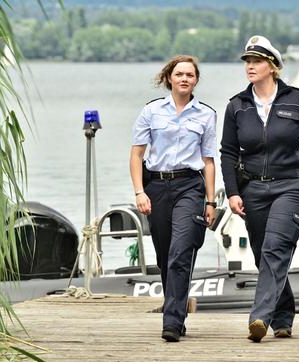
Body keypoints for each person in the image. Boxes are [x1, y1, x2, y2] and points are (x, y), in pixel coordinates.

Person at [220, 35, 299, 342]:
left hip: (292, 186)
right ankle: (283, 318)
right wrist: (233, 192)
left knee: (275, 248)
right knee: (262, 253)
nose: (250, 67)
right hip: (252, 189)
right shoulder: (236, 106)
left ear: (272, 66)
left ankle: (260, 318)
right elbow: (228, 152)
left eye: (256, 61)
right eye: (247, 62)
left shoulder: (298, 99)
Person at [130, 55, 217, 342]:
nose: (184, 79)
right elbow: (137, 155)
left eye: (190, 75)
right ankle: (177, 315)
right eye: (179, 74)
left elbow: (208, 161)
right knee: (165, 254)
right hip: (156, 187)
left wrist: (210, 201)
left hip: (190, 187)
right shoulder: (151, 111)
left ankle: (171, 321)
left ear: (196, 80)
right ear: (169, 77)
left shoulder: (206, 114)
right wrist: (139, 192)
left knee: (181, 252)